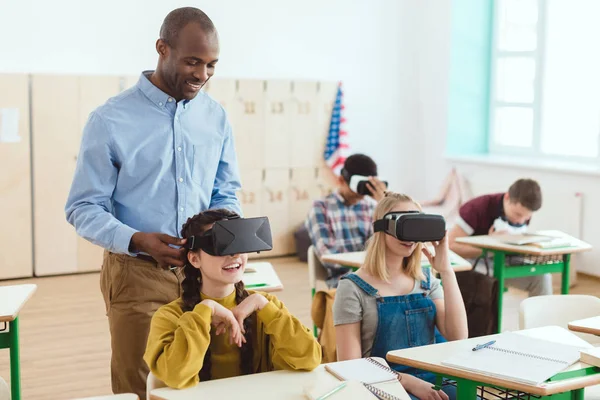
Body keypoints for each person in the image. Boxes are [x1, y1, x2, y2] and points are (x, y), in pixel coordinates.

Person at [64, 7, 241, 398]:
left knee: (205, 379)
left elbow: (225, 191)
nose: (202, 75)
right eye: (192, 61)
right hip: (136, 273)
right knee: (142, 385)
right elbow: (82, 207)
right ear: (162, 49)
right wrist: (137, 239)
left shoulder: (216, 118)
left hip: (203, 272)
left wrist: (228, 239)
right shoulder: (109, 120)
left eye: (211, 65)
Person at [144, 209, 321, 388]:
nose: (234, 254)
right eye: (220, 244)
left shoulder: (265, 306)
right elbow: (175, 375)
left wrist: (263, 306)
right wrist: (205, 310)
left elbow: (310, 358)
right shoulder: (169, 317)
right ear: (194, 259)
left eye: (239, 243)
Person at [333, 193, 468, 400]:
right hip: (381, 384)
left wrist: (446, 271)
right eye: (402, 224)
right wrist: (409, 382)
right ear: (381, 227)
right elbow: (352, 366)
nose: (410, 237)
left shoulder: (426, 282)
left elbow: (458, 337)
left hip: (433, 380)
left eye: (415, 224)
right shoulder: (352, 288)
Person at [448, 178, 551, 297]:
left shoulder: (522, 213)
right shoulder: (476, 208)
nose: (520, 220)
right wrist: (490, 245)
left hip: (505, 259)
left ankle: (539, 315)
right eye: (517, 214)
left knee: (543, 277)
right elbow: (451, 246)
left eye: (526, 217)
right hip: (474, 261)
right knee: (493, 280)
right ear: (507, 198)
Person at [305, 154, 388, 288]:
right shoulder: (321, 208)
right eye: (358, 187)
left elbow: (385, 248)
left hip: (377, 278)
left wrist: (385, 204)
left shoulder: (372, 207)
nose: (362, 193)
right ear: (341, 180)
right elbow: (329, 259)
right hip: (345, 282)